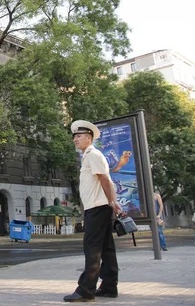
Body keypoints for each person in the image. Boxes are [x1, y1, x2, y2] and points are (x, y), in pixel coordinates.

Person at [64, 120, 123, 303]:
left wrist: (113, 202)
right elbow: (105, 181)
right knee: (106, 248)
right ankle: (109, 286)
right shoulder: (89, 156)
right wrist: (112, 203)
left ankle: (86, 290)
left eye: (79, 136)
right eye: (74, 136)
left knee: (92, 248)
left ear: (89, 138)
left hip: (97, 208)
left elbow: (105, 180)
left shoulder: (93, 155)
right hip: (97, 207)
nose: (75, 139)